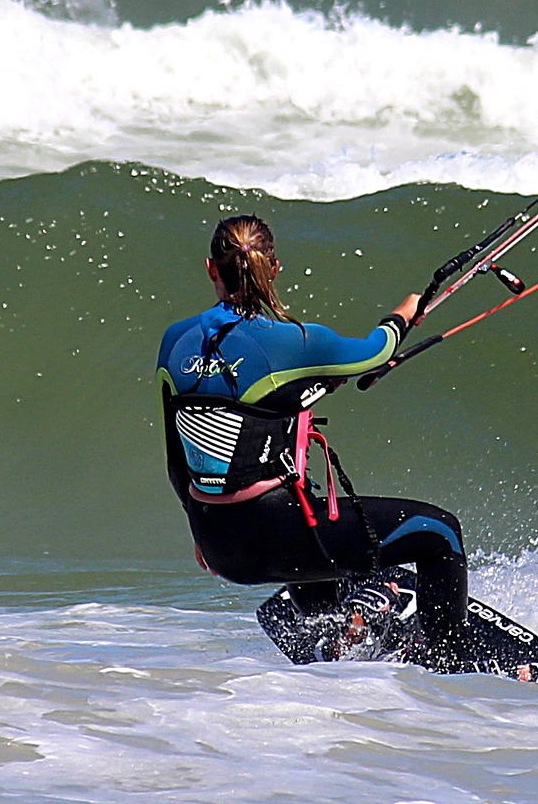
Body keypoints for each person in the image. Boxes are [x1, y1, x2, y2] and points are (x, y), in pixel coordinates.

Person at [156, 213, 469, 660]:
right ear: (274, 268)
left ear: (211, 268)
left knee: (307, 514)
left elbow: (176, 461)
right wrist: (404, 313)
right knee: (441, 533)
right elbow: (376, 350)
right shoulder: (297, 341)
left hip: (220, 545)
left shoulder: (174, 341)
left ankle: (342, 627)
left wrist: (200, 525)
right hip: (278, 537)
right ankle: (446, 663)